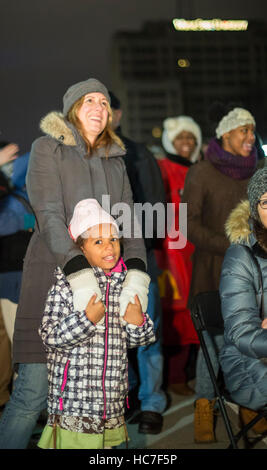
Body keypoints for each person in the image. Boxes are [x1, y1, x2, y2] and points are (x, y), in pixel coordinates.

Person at [0, 78, 150, 449]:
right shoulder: (47, 148)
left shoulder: (117, 158)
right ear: (72, 110)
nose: (98, 108)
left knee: (97, 394)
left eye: (103, 101)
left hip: (107, 281)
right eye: (89, 102)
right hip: (52, 276)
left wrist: (137, 274)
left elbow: (129, 219)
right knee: (33, 392)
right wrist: (79, 272)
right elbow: (48, 213)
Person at [37, 199, 155, 449]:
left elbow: (139, 340)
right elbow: (50, 336)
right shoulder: (66, 286)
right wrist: (85, 320)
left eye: (113, 239)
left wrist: (137, 324)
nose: (109, 247)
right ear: (81, 247)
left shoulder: (125, 285)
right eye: (98, 242)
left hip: (111, 400)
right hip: (74, 401)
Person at [182, 106, 260, 443]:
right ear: (226, 134)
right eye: (244, 130)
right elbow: (189, 225)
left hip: (256, 270)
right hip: (213, 269)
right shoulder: (201, 172)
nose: (251, 138)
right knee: (211, 344)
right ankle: (204, 405)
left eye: (253, 131)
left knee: (249, 337)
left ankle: (249, 403)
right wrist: (231, 243)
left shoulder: (261, 168)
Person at [109, 91, 167, 435]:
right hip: (97, 260)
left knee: (148, 333)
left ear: (117, 113)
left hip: (135, 256)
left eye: (106, 106)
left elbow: (156, 210)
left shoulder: (139, 153)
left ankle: (152, 402)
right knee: (109, 335)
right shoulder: (79, 155)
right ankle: (126, 395)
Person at [154, 116, 202, 396]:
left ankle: (196, 370)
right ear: (170, 140)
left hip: (197, 250)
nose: (187, 142)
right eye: (181, 137)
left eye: (191, 137)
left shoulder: (199, 169)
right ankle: (175, 375)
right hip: (172, 253)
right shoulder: (162, 168)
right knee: (177, 313)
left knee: (199, 310)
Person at [220, 166, 267, 433]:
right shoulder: (241, 256)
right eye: (266, 202)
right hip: (248, 361)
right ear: (253, 210)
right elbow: (241, 333)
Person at [0, 143, 34, 413]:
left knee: (17, 349)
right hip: (11, 281)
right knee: (19, 349)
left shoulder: (17, 193)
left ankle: (19, 409)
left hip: (17, 279)